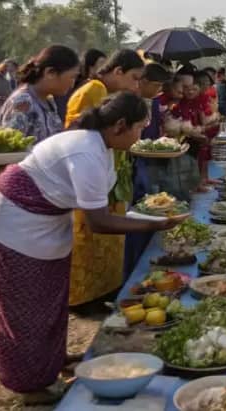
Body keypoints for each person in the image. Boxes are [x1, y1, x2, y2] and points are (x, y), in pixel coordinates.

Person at [0, 92, 185, 403]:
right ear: (120, 125)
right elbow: (99, 221)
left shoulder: (100, 146)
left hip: (42, 223)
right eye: (140, 127)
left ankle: (51, 361)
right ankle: (30, 385)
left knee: (50, 301)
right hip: (13, 224)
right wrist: (155, 224)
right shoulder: (86, 151)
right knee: (26, 309)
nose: (143, 134)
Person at [64, 49, 146, 306]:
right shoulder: (94, 91)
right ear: (117, 70)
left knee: (107, 243)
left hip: (105, 170)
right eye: (133, 78)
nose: (135, 86)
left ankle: (105, 291)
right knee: (93, 238)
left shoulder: (99, 90)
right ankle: (86, 297)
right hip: (89, 174)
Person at [0, 46, 80, 144]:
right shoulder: (23, 101)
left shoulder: (49, 101)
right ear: (50, 73)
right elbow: (10, 147)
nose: (72, 84)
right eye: (72, 77)